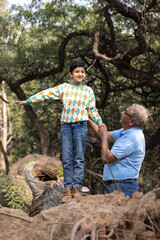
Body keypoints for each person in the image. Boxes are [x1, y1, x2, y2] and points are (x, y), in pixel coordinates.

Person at [15, 59, 103, 203]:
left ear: (85, 74)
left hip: (81, 126)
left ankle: (77, 189)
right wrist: (28, 101)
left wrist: (100, 122)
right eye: (77, 72)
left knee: (79, 158)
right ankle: (67, 190)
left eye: (82, 72)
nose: (79, 74)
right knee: (67, 159)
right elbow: (46, 93)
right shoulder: (65, 88)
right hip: (66, 127)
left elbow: (92, 110)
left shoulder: (88, 91)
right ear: (71, 74)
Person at [88, 104, 149, 198]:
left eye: (125, 113)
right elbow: (106, 135)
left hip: (123, 187)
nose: (122, 113)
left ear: (132, 121)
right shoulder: (126, 131)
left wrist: (104, 136)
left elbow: (106, 158)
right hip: (120, 185)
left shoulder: (132, 138)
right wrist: (87, 119)